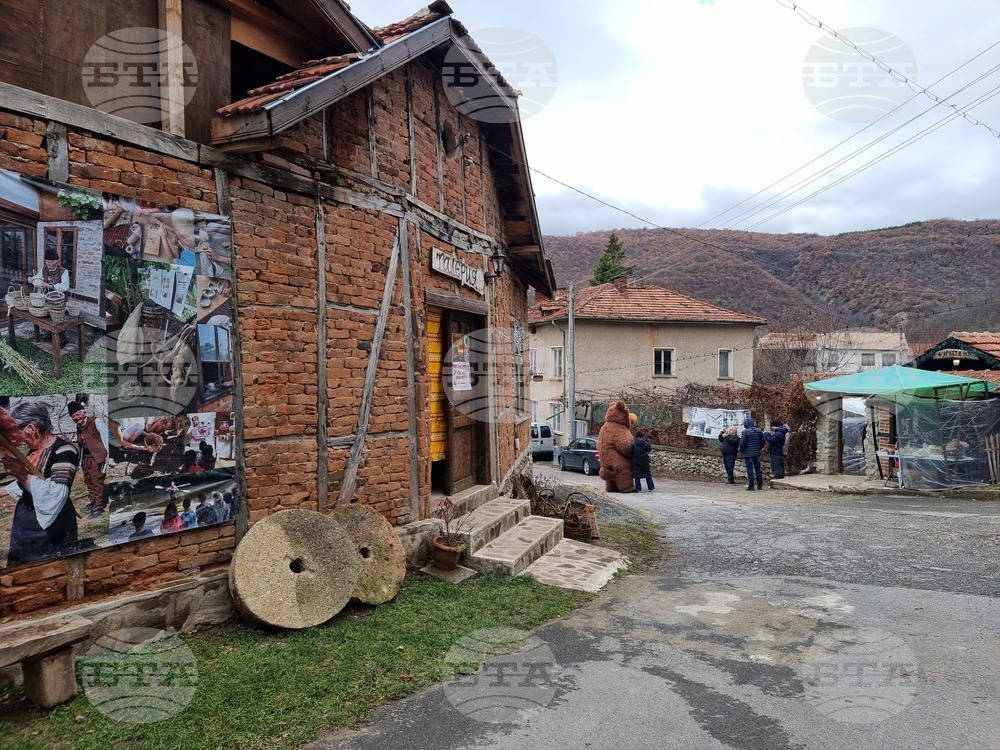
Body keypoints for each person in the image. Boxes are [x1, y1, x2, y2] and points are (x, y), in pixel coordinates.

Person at [3, 401, 81, 566]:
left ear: (31, 429)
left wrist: (22, 473)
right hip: (25, 528)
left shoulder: (65, 452)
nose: (20, 440)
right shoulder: (35, 451)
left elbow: (54, 496)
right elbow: (31, 485)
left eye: (19, 432)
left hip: (50, 531)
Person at [68, 401, 109, 515]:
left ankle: (99, 506)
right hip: (86, 458)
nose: (76, 418)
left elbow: (106, 437)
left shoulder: (96, 421)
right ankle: (93, 502)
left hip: (97, 457)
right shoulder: (79, 426)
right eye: (73, 416)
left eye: (77, 414)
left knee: (97, 481)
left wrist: (107, 456)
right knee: (88, 481)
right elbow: (81, 444)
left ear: (83, 412)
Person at [738, 417, 765, 491]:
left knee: (750, 469)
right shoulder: (759, 431)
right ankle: (760, 485)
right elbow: (763, 442)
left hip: (748, 453)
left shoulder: (745, 432)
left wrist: (741, 450)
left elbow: (742, 443)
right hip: (757, 453)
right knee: (758, 469)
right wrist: (758, 448)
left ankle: (751, 486)